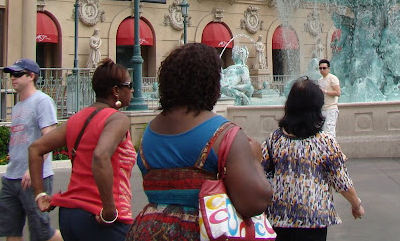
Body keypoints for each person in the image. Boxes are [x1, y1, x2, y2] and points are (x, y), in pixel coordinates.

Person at [126, 44, 271, 241]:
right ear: (212, 83)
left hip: (148, 230)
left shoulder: (149, 133)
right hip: (201, 231)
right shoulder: (225, 133)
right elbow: (254, 203)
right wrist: (255, 160)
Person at [28, 59, 135, 241]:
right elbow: (100, 156)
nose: (132, 90)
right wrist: (109, 210)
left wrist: (39, 194)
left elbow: (35, 148)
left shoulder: (77, 118)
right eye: (129, 85)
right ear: (116, 90)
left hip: (70, 215)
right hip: (100, 218)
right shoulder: (117, 119)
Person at [262, 77, 364, 240]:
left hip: (278, 218)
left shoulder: (274, 140)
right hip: (313, 218)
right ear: (317, 108)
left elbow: (260, 172)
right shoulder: (325, 142)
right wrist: (356, 204)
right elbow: (341, 181)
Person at [0, 58, 62, 241]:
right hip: (11, 177)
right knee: (11, 230)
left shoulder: (42, 101)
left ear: (31, 76)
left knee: (42, 233)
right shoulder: (17, 107)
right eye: (11, 74)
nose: (12, 78)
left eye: (17, 74)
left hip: (35, 178)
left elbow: (49, 139)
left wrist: (33, 170)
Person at [317, 59, 341, 138]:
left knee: (330, 131)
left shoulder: (332, 78)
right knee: (323, 131)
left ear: (328, 69)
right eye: (320, 68)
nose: (322, 70)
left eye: (324, 68)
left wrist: (325, 92)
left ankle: (332, 145)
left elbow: (338, 93)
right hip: (322, 109)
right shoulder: (320, 80)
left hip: (331, 108)